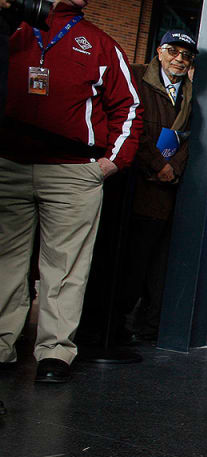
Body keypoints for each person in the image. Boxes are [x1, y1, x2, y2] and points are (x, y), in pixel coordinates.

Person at [0, 0, 141, 383]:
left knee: (64, 268)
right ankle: (1, 345)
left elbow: (129, 107)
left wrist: (111, 162)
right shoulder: (14, 30)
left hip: (73, 171)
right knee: (5, 261)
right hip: (9, 165)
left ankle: (55, 352)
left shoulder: (100, 43)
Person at [119, 30, 197, 341]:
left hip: (163, 193)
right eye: (173, 51)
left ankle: (137, 324)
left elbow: (186, 138)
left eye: (186, 55)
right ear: (160, 52)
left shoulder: (189, 95)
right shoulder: (137, 78)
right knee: (125, 262)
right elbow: (130, 127)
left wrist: (171, 167)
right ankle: (113, 325)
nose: (180, 59)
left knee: (150, 263)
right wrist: (157, 164)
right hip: (130, 186)